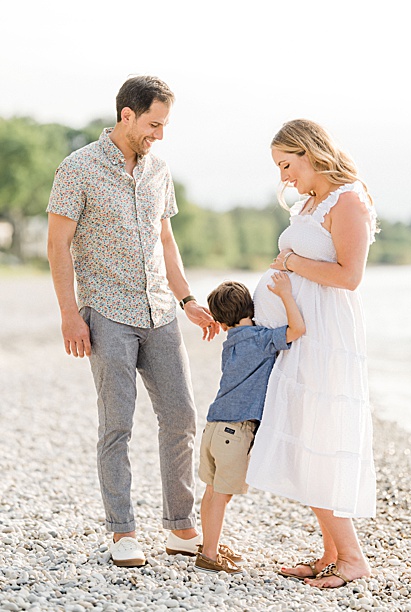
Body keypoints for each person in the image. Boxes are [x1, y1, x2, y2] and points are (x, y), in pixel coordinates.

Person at [46, 75, 220, 568]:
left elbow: (166, 241)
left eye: (164, 125)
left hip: (161, 311)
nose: (159, 135)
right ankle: (123, 531)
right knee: (117, 424)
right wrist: (68, 315)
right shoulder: (77, 168)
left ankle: (181, 527)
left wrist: (187, 299)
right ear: (127, 115)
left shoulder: (159, 170)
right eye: (154, 124)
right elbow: (57, 245)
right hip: (106, 312)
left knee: (182, 417)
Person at [244, 119, 378, 589]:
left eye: (286, 164)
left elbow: (349, 276)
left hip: (326, 335)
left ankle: (354, 558)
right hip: (302, 334)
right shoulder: (310, 204)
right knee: (304, 434)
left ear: (310, 152)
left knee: (318, 434)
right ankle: (331, 551)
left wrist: (290, 264)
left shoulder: (349, 199)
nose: (283, 176)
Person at [195, 272, 305, 574]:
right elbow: (298, 328)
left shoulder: (230, 342)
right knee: (222, 495)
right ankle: (208, 555)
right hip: (235, 430)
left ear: (221, 322)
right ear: (250, 308)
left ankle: (210, 545)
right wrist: (284, 294)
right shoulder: (259, 340)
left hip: (213, 426)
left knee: (210, 490)